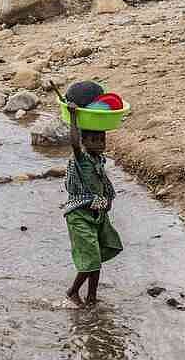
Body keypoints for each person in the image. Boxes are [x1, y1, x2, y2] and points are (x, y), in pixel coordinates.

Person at [63, 101, 122, 308]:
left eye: (101, 138)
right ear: (84, 141)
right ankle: (72, 291)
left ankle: (91, 297)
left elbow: (104, 185)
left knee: (96, 255)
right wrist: (73, 117)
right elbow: (73, 143)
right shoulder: (82, 159)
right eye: (94, 139)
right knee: (91, 258)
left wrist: (108, 202)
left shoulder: (99, 161)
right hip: (79, 214)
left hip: (96, 214)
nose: (99, 142)